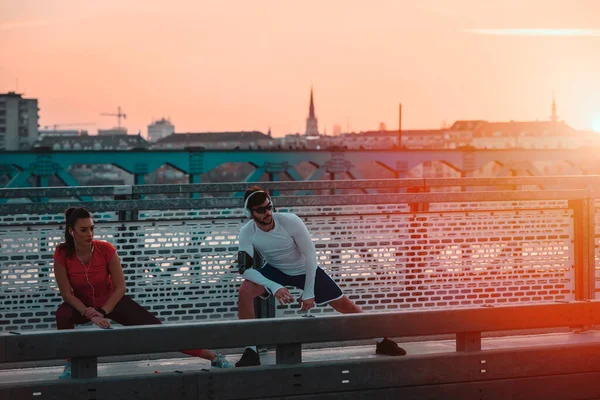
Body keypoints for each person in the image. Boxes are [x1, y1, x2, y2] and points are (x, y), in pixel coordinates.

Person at [53, 207, 232, 379]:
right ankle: (70, 364)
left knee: (159, 333)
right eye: (83, 230)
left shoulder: (106, 249)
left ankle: (215, 357)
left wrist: (102, 311)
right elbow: (67, 294)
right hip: (81, 305)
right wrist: (90, 313)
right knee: (63, 313)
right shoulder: (62, 253)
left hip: (111, 303)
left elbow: (120, 287)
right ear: (71, 231)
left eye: (92, 228)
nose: (90, 234)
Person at [235, 186, 406, 367]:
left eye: (269, 207)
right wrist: (274, 286)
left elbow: (311, 256)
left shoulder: (290, 221)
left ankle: (382, 341)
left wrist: (309, 292)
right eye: (260, 210)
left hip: (304, 268)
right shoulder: (247, 232)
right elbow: (244, 269)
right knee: (245, 290)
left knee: (343, 304)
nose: (267, 213)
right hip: (275, 270)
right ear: (249, 213)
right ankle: (251, 350)